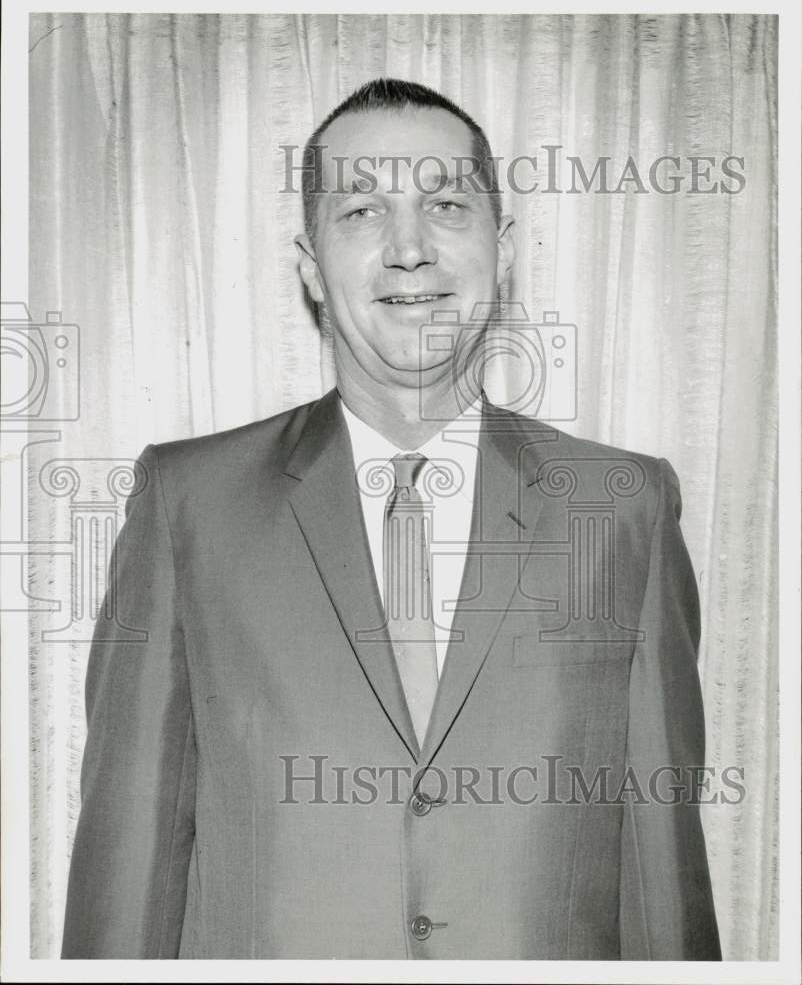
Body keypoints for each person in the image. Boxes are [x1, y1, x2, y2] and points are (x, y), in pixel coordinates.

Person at [61, 78, 721, 960]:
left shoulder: (625, 508)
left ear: (504, 246)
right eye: (363, 211)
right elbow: (128, 859)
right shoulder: (188, 502)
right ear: (310, 266)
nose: (410, 249)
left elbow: (663, 869)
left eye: (447, 203)